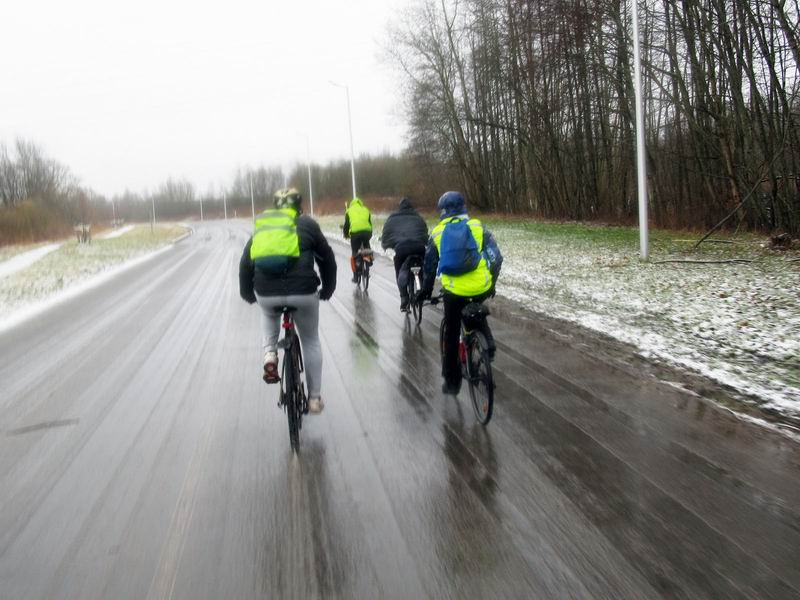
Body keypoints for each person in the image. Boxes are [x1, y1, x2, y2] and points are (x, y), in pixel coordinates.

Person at [239, 188, 336, 414]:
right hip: (303, 292)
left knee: (268, 311)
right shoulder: (308, 225)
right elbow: (328, 259)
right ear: (299, 205)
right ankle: (314, 398)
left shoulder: (263, 227)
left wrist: (248, 294)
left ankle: (270, 353)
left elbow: (246, 263)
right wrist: (328, 288)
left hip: (266, 292)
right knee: (310, 339)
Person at [421, 191, 503, 395]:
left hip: (454, 292)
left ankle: (452, 382)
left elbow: (430, 267)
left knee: (451, 331)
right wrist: (491, 283)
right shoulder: (477, 226)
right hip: (480, 287)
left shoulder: (437, 232)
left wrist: (425, 290)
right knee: (475, 310)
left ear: (443, 211)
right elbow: (496, 257)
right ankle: (488, 345)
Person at [381, 196, 429, 311]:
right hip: (419, 247)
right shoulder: (418, 217)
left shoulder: (393, 218)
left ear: (400, 207)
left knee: (399, 269)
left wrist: (386, 244)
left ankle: (404, 298)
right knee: (422, 265)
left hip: (402, 249)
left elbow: (386, 233)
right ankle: (421, 285)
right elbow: (424, 231)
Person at [342, 197, 372, 283]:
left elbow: (346, 225)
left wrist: (346, 234)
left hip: (355, 234)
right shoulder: (366, 209)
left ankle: (355, 276)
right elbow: (369, 222)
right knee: (367, 247)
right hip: (367, 232)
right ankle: (369, 260)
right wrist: (370, 232)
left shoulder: (349, 211)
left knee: (354, 252)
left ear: (351, 204)